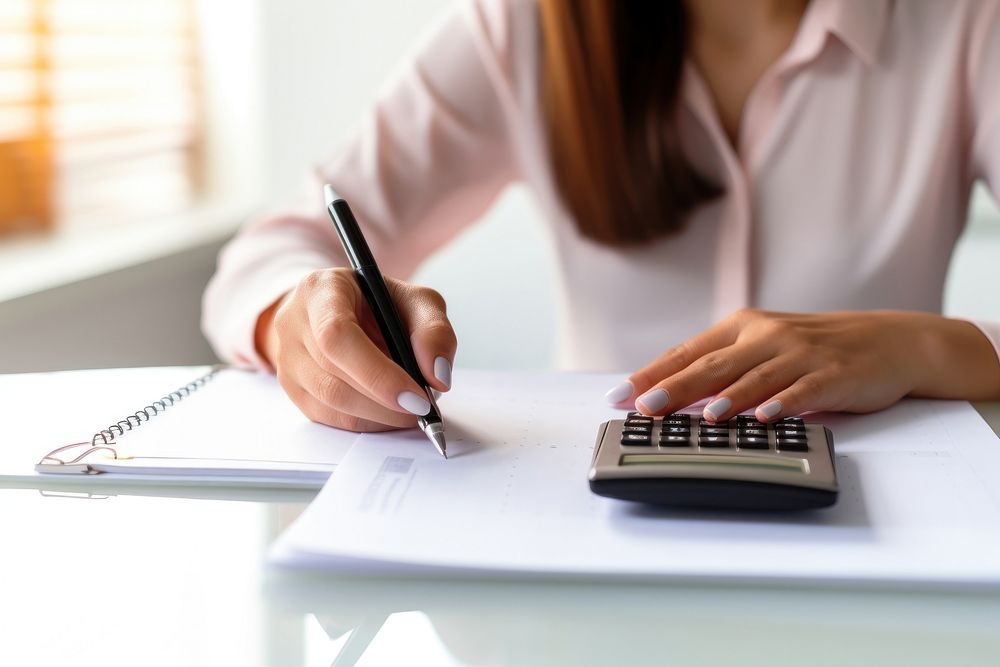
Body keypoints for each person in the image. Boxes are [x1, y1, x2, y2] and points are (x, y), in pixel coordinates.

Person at [203, 0, 1000, 434]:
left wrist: (931, 344)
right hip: (583, 521)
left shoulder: (968, 21)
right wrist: (297, 320)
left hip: (881, 524)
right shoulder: (522, 25)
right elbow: (275, 250)